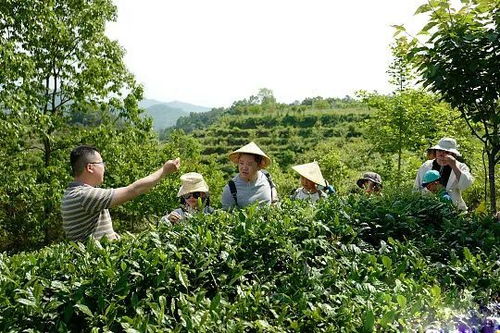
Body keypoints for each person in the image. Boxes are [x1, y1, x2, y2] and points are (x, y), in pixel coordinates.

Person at [61, 145, 180, 241]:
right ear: (90, 167)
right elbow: (133, 190)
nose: (104, 167)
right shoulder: (84, 196)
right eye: (102, 163)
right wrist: (164, 171)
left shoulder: (73, 194)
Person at [414, 137, 473, 210]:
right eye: (439, 151)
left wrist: (454, 166)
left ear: (453, 154)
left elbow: (465, 185)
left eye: (446, 152)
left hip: (453, 210)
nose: (442, 154)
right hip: (428, 209)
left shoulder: (460, 167)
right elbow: (416, 187)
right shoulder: (426, 165)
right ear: (435, 151)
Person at [221, 142, 278, 209]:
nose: (244, 167)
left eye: (249, 164)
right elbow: (227, 215)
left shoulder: (267, 177)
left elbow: (275, 200)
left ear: (259, 166)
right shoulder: (230, 189)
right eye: (241, 163)